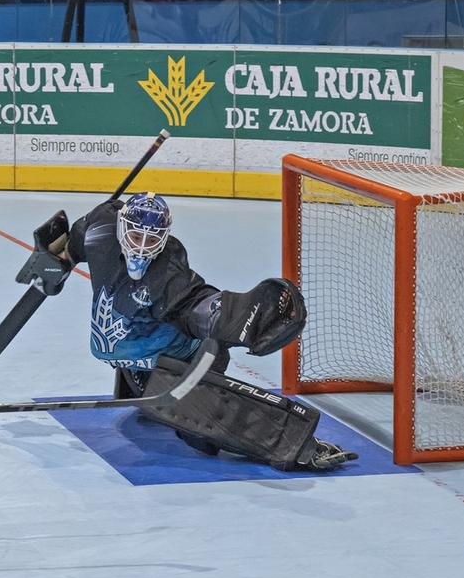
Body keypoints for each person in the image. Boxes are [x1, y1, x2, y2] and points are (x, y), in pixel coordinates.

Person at [22, 193, 356, 471]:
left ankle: (298, 445)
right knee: (151, 401)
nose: (141, 246)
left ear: (164, 238)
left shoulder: (167, 273)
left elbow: (200, 305)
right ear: (122, 228)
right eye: (135, 235)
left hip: (184, 365)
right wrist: (58, 258)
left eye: (152, 239)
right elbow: (74, 242)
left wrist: (246, 319)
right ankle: (147, 391)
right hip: (139, 367)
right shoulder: (100, 230)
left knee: (203, 437)